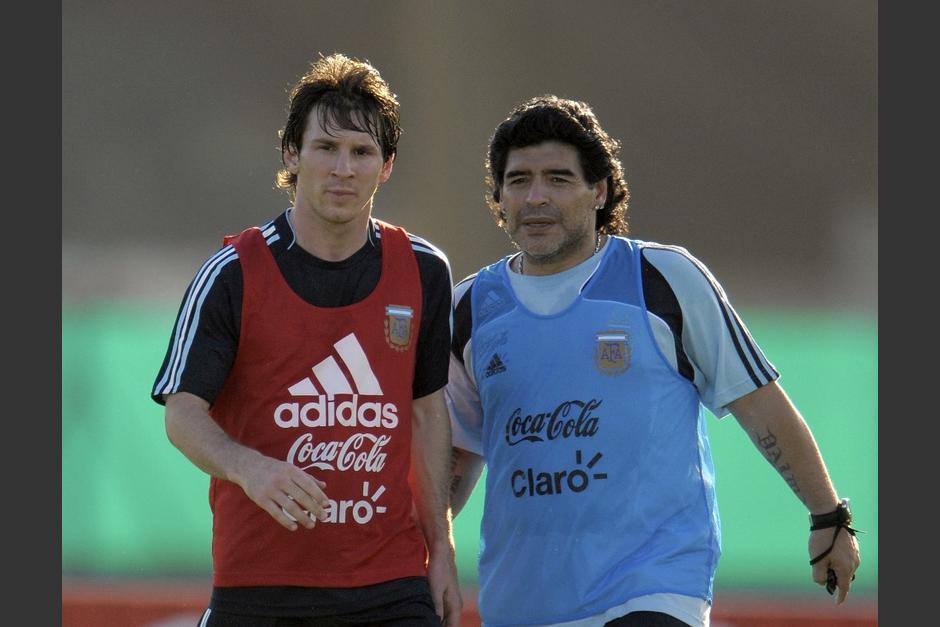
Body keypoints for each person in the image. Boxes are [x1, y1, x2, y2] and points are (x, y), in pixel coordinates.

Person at [445, 95, 861, 627]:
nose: (536, 197)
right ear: (499, 196)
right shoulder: (470, 307)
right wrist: (418, 553)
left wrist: (828, 515)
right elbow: (455, 455)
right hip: (522, 603)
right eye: (519, 180)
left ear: (599, 190)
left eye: (558, 178)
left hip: (654, 591)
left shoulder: (662, 280)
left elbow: (763, 407)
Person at [151, 53, 461, 626]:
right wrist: (251, 468)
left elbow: (425, 414)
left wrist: (440, 549)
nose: (343, 168)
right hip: (259, 588)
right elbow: (182, 413)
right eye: (326, 147)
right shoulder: (232, 272)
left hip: (391, 586)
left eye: (362, 152)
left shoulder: (423, 270)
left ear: (386, 166)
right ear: (292, 155)